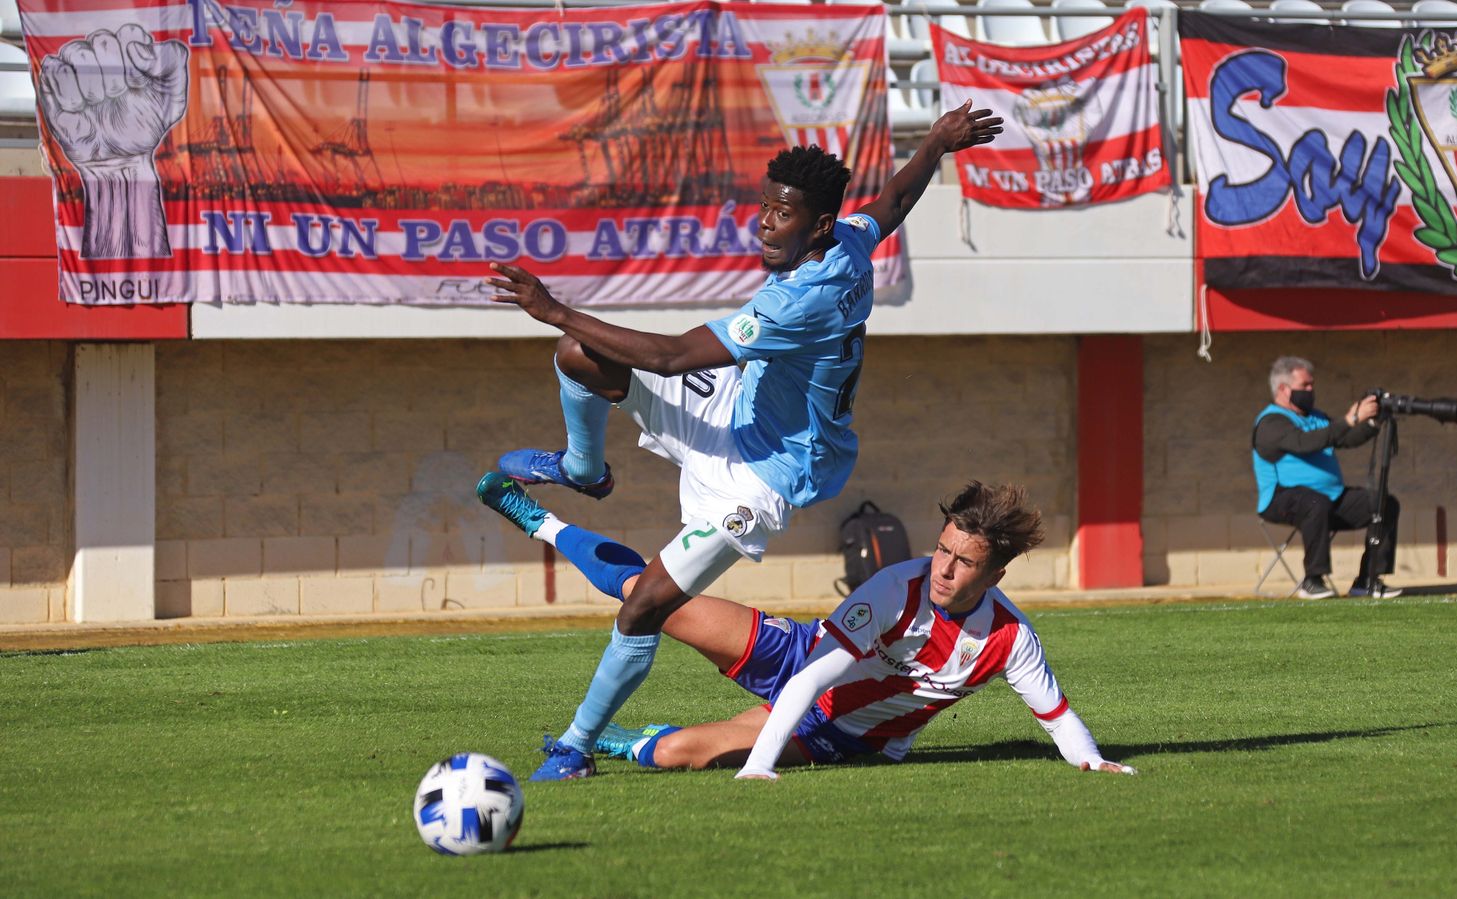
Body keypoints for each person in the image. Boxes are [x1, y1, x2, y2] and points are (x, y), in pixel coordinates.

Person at [477, 104, 1005, 782]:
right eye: (764, 207)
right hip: (739, 408)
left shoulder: (800, 301)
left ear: (815, 226)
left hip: (764, 475)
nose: (764, 222)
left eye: (782, 215)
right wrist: (935, 142)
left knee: (646, 603)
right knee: (579, 354)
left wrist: (551, 306)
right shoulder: (846, 240)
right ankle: (584, 469)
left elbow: (670, 357)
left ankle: (576, 746)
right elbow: (893, 200)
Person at [513, 480, 1137, 777]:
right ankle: (541, 521)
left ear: (995, 573)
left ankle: (630, 740)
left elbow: (1055, 718)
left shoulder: (1010, 639)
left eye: (964, 560)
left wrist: (1093, 762)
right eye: (942, 549)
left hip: (845, 734)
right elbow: (812, 675)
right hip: (802, 660)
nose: (943, 568)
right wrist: (758, 767)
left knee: (675, 755)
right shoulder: (898, 587)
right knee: (650, 597)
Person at [1252, 356, 1402, 600]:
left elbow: (1345, 438)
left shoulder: (1316, 417)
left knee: (1384, 503)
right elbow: (1305, 443)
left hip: (1329, 499)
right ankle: (1313, 580)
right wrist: (1350, 418)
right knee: (1314, 502)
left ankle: (1368, 580)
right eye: (1305, 386)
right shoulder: (1271, 422)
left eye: (1312, 385)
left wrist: (1372, 421)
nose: (1311, 391)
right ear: (1283, 389)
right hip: (1280, 499)